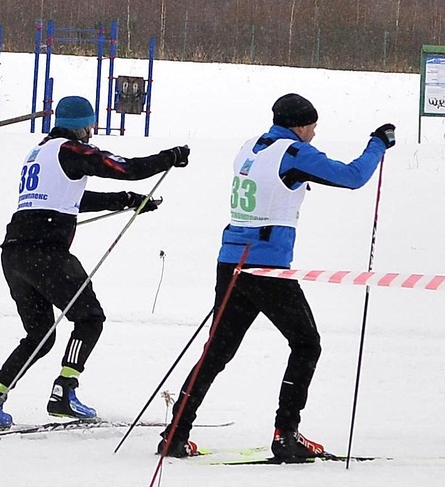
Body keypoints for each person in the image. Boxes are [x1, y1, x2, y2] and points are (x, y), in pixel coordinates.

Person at [157, 93, 394, 464]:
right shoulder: (294, 153)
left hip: (231, 261)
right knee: (306, 344)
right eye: (312, 126)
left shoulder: (251, 146)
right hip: (267, 268)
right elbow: (352, 178)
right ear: (299, 125)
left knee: (216, 352)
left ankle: (176, 432)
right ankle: (286, 435)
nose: (314, 134)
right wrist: (377, 144)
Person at [0, 94, 188, 430]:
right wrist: (169, 157)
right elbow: (126, 168)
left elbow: (72, 200)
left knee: (39, 335)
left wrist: (128, 201)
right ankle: (64, 392)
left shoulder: (39, 152)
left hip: (14, 253)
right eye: (90, 125)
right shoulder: (71, 150)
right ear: (81, 125)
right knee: (89, 318)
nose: (92, 132)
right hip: (47, 253)